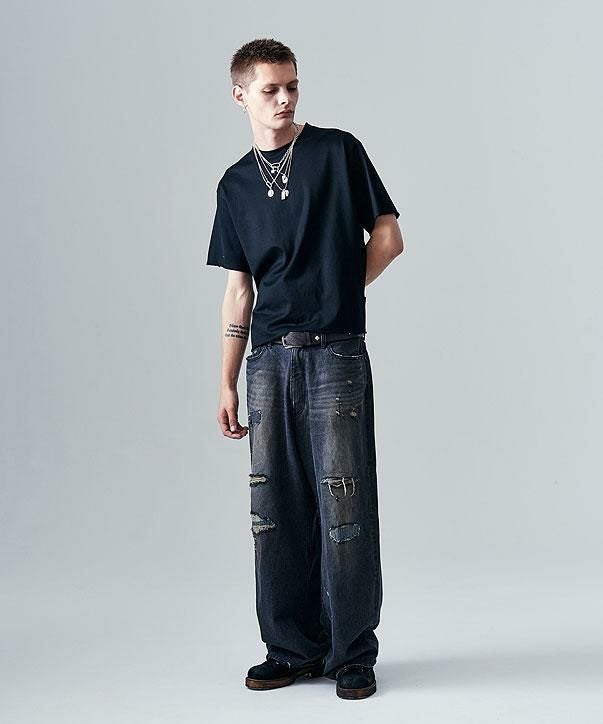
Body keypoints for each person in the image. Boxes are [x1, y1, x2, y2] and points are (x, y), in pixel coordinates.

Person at [206, 38, 404, 700]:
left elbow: (388, 236)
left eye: (292, 85)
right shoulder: (234, 185)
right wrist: (225, 380)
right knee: (273, 508)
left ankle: (352, 653)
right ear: (241, 96)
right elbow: (238, 290)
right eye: (270, 89)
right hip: (267, 361)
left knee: (344, 502)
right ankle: (290, 648)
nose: (285, 98)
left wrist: (340, 291)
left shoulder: (337, 151)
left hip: (335, 351)